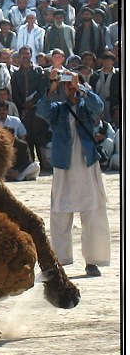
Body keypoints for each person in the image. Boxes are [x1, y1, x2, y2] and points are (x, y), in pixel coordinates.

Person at [36, 69, 110, 277]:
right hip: (64, 166)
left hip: (86, 164)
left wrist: (82, 88)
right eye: (66, 84)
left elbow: (99, 106)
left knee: (93, 213)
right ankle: (59, 261)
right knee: (59, 213)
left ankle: (92, 261)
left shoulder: (87, 106)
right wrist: (52, 87)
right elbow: (41, 110)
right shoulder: (58, 109)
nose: (69, 88)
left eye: (72, 84)